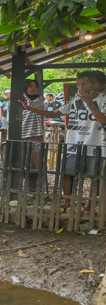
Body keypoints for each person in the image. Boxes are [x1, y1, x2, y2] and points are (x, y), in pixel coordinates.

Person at [21, 72, 106, 212]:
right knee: (67, 172)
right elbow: (55, 113)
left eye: (84, 84)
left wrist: (89, 102)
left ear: (95, 85)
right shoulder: (74, 100)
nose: (80, 87)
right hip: (73, 143)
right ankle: (68, 201)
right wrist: (29, 108)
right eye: (78, 84)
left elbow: (103, 120)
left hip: (96, 144)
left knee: (94, 176)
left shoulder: (103, 99)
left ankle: (89, 206)